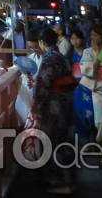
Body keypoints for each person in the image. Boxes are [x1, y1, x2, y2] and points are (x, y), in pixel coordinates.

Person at [33, 28, 76, 194]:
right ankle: (69, 180)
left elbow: (44, 84)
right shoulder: (62, 58)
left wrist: (37, 103)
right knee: (64, 141)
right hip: (65, 103)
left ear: (42, 43)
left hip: (53, 107)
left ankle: (58, 183)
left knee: (52, 142)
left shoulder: (49, 59)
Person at [69, 27, 94, 139]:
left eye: (77, 38)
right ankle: (85, 138)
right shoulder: (69, 54)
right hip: (76, 88)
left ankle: (93, 135)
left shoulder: (89, 52)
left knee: (91, 112)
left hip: (89, 86)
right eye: (73, 38)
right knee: (79, 112)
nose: (75, 41)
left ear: (83, 39)